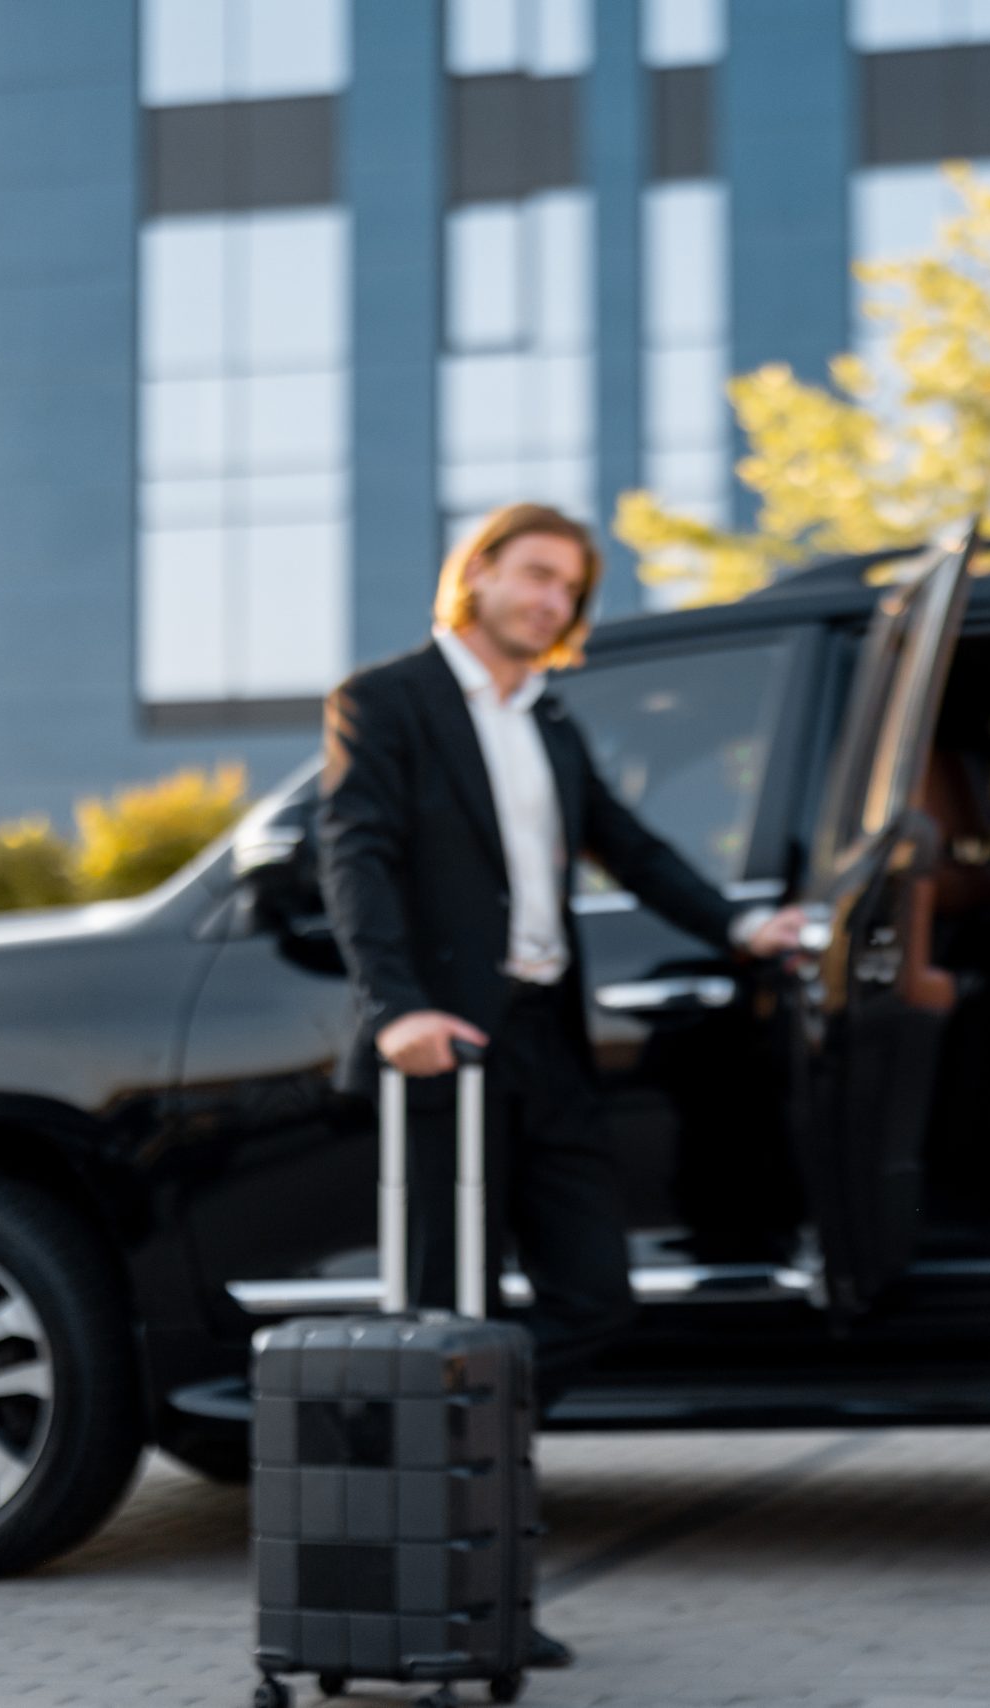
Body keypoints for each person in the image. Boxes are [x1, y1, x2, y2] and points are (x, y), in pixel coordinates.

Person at [314, 500, 807, 1670]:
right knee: (445, 1305)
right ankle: (463, 1599)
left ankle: (456, 1445)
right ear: (475, 573)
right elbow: (357, 854)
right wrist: (394, 1008)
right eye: (534, 577)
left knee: (588, 1296)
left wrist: (739, 927)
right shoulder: (385, 701)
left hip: (545, 1043)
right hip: (448, 1046)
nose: (550, 603)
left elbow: (627, 846)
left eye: (568, 590)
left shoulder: (547, 715)